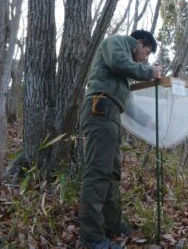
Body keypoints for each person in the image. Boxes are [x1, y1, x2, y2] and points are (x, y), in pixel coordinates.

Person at [79, 30, 161, 249]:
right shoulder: (115, 44)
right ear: (140, 42)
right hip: (100, 111)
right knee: (97, 173)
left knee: (112, 173)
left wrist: (149, 122)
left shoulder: (122, 74)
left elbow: (129, 104)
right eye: (147, 52)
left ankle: (113, 225)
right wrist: (148, 72)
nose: (146, 58)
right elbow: (118, 62)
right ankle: (91, 237)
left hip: (111, 116)